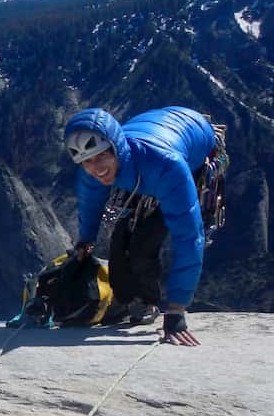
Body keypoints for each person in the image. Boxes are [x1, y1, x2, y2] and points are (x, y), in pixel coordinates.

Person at [63, 106, 216, 346]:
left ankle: (148, 302)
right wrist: (86, 241)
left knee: (144, 245)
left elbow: (188, 237)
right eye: (87, 162)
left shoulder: (168, 167)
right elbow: (90, 203)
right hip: (149, 142)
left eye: (102, 155)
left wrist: (176, 311)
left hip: (193, 141)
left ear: (116, 148)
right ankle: (128, 300)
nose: (96, 168)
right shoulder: (92, 172)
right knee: (119, 247)